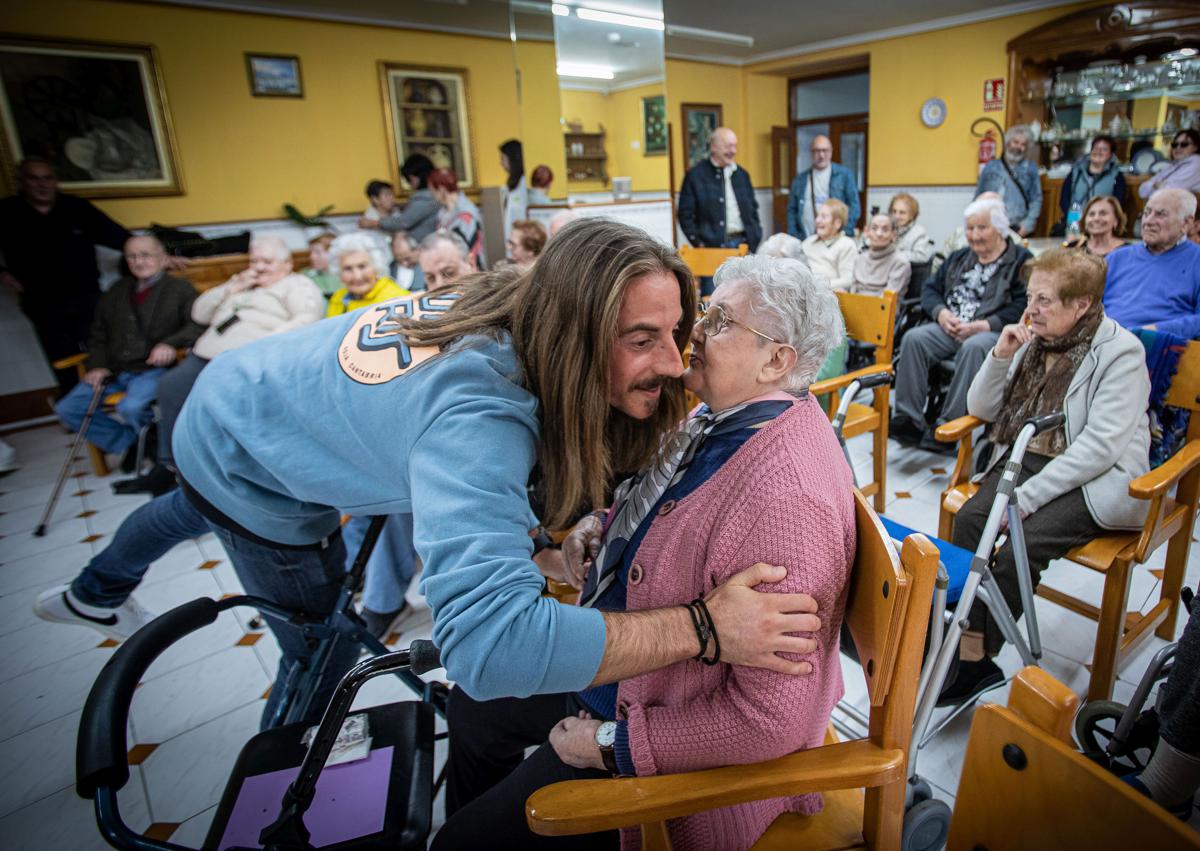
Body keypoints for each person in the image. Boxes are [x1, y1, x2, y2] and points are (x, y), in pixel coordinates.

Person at [167, 219, 823, 728]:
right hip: (237, 444)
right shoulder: (478, 415)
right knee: (320, 645)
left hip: (271, 386)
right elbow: (487, 648)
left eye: (677, 330)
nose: (677, 365)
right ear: (575, 337)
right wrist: (702, 627)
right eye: (641, 338)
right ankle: (274, 797)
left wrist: (537, 546)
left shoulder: (535, 298)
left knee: (191, 520)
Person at [435, 255, 854, 850]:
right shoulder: (726, 417)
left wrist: (610, 743)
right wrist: (600, 526)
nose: (696, 332)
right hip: (641, 669)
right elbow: (667, 506)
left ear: (777, 360)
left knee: (458, 844)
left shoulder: (787, 499)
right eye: (706, 312)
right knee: (475, 705)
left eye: (721, 320)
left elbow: (770, 721)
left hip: (662, 723)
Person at [941, 249, 1150, 704]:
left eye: (1044, 301)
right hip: (1030, 454)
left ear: (1082, 305)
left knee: (1023, 539)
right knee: (972, 521)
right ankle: (952, 633)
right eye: (1031, 297)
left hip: (1098, 475)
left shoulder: (1121, 352)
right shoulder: (1035, 341)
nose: (1031, 310)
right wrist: (999, 355)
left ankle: (975, 656)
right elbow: (981, 409)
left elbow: (1099, 448)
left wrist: (1027, 498)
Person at [113, 235, 325, 496]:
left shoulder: (296, 285)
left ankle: (219, 471)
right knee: (170, 387)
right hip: (204, 356)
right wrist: (232, 286)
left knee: (224, 405)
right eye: (255, 260)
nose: (259, 267)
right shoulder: (242, 284)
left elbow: (308, 317)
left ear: (287, 263)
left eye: (267, 261)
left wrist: (269, 341)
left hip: (246, 361)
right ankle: (170, 466)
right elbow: (199, 313)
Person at [891, 197, 1032, 452]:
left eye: (981, 228)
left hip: (993, 331)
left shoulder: (1020, 260)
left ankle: (950, 426)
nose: (974, 235)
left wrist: (985, 325)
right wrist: (941, 313)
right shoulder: (959, 257)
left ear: (999, 228)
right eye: (969, 228)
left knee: (974, 347)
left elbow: (1024, 303)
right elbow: (930, 289)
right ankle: (908, 419)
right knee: (914, 338)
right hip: (950, 326)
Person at [54, 235, 199, 459]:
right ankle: (133, 444)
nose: (139, 262)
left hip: (154, 371)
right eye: (132, 256)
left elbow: (197, 324)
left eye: (145, 255)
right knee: (68, 408)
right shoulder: (116, 291)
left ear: (162, 258)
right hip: (116, 370)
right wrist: (98, 365)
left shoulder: (180, 289)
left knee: (130, 408)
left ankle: (152, 446)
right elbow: (98, 334)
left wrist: (170, 344)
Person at [0, 157, 131, 391]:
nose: (42, 184)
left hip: (86, 294)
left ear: (56, 182)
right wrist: (3, 274)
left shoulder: (76, 208)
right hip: (41, 299)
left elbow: (121, 238)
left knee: (101, 346)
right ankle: (74, 404)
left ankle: (112, 395)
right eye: (34, 178)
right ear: (22, 182)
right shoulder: (8, 211)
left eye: (47, 178)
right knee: (61, 355)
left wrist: (158, 254)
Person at [1102, 188, 1200, 339]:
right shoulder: (1116, 257)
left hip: (1161, 346)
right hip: (1105, 342)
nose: (1148, 221)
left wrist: (1152, 331)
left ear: (1186, 223)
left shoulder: (1196, 259)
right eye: (1146, 213)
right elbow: (1087, 305)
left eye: (1161, 214)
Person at [677, 127, 762, 267]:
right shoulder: (695, 176)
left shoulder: (742, 175)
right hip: (711, 250)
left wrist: (756, 235)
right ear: (714, 147)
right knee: (713, 289)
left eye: (735, 146)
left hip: (744, 246)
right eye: (728, 146)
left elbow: (753, 209)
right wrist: (699, 243)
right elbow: (685, 214)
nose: (733, 151)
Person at [787, 134, 860, 239]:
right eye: (817, 151)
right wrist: (794, 234)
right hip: (805, 239)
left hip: (836, 240)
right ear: (811, 153)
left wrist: (844, 233)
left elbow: (854, 207)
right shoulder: (800, 180)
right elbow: (792, 210)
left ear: (831, 152)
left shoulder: (844, 175)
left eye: (825, 150)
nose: (821, 155)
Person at [975, 125, 1042, 238]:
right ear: (1008, 143)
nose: (1018, 147)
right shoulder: (991, 167)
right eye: (1015, 142)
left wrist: (1027, 226)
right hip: (991, 227)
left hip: (1017, 228)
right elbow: (978, 197)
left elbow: (1036, 200)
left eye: (1023, 144)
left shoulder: (1031, 169)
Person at [324, 233, 407, 318]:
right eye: (348, 269)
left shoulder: (396, 300)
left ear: (376, 267)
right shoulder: (338, 298)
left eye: (362, 266)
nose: (357, 276)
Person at [360, 155, 440, 242]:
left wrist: (373, 223)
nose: (391, 198)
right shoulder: (428, 196)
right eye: (387, 195)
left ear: (415, 177)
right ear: (375, 199)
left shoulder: (425, 199)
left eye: (409, 179)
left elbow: (403, 222)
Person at [1056, 135, 1125, 236]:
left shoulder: (1116, 176)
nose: (1098, 152)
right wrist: (1073, 218)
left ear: (1111, 154)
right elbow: (1064, 198)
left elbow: (1118, 203)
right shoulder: (1076, 171)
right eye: (1096, 148)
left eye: (1104, 149)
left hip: (1101, 226)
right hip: (1074, 226)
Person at [429, 168, 485, 268]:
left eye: (433, 191)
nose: (432, 195)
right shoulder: (442, 212)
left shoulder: (467, 214)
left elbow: (468, 249)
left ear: (442, 189)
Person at [801, 199, 857, 290]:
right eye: (818, 216)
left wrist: (817, 285)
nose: (817, 220)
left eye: (823, 217)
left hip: (828, 295)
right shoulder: (808, 241)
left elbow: (848, 280)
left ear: (837, 223)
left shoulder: (846, 245)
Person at [851, 213, 911, 298]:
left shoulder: (900, 262)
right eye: (874, 228)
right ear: (867, 232)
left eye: (885, 230)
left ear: (893, 235)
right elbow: (852, 291)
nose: (879, 233)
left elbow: (887, 299)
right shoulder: (859, 258)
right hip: (854, 307)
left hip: (883, 309)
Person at [1138, 130, 1200, 198]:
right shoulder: (1173, 165)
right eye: (1175, 145)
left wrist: (1155, 185)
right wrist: (1155, 185)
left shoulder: (1196, 163)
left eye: (1184, 144)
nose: (1178, 148)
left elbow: (1166, 192)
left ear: (1196, 147)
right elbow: (1142, 192)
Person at [889, 192, 935, 265]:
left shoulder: (919, 232)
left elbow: (922, 257)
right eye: (894, 211)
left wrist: (893, 255)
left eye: (902, 213)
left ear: (912, 215)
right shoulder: (887, 228)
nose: (896, 216)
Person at [500, 139, 528, 243]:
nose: (501, 163)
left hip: (522, 239)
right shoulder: (511, 184)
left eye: (503, 159)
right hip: (512, 237)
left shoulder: (524, 183)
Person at [303, 232, 340, 298]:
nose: (312, 257)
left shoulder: (345, 276)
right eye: (310, 252)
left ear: (333, 254)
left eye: (317, 252)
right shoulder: (305, 275)